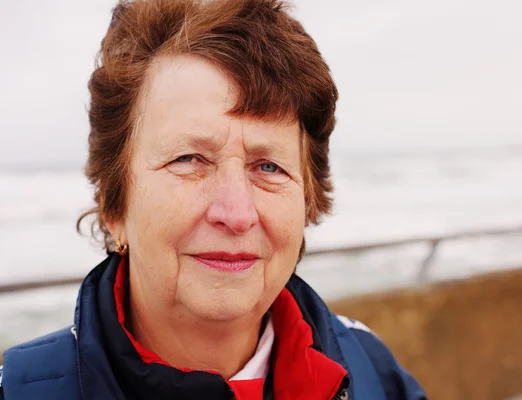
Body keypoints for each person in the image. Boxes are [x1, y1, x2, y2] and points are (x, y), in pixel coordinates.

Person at [0, 0, 427, 399]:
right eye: (189, 159)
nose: (236, 213)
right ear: (115, 206)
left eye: (269, 167)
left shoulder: (372, 370)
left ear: (307, 198)